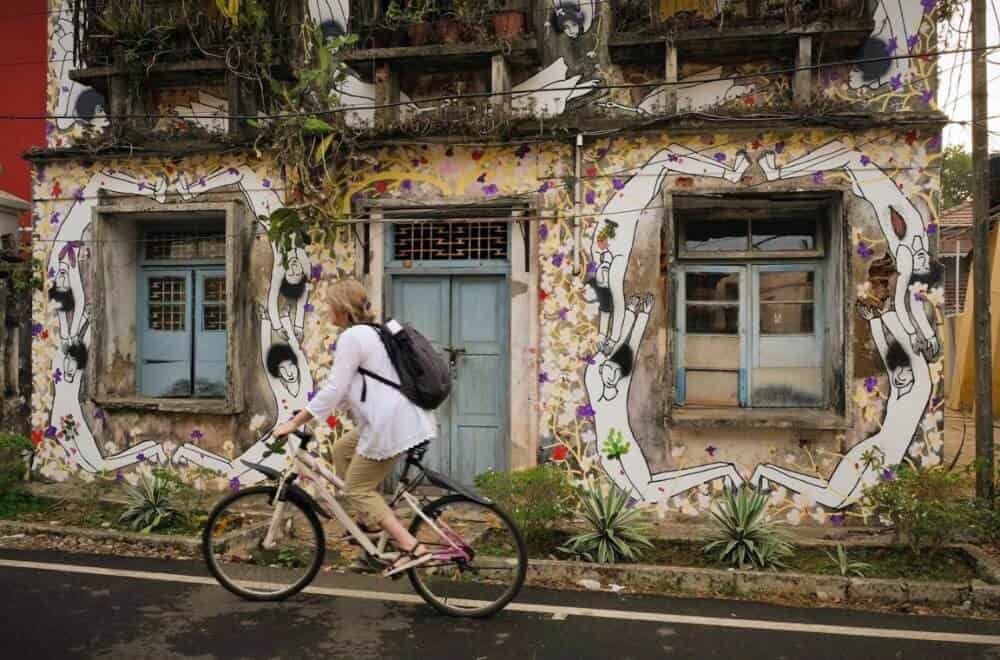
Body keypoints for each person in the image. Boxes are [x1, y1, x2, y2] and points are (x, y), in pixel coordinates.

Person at [273, 279, 437, 576]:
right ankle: (369, 523)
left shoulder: (353, 337)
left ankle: (411, 547)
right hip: (396, 418)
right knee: (341, 450)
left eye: (330, 305)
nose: (327, 311)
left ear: (343, 308)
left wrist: (295, 422)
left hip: (390, 424)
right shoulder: (373, 332)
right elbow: (353, 388)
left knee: (356, 489)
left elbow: (336, 387)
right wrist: (313, 410)